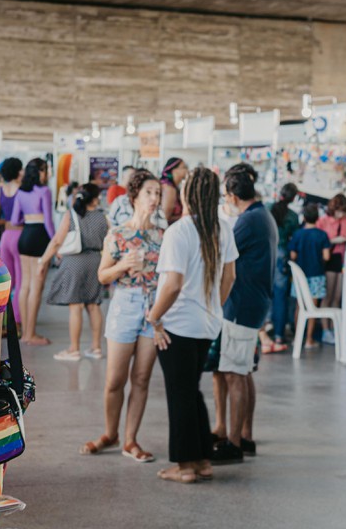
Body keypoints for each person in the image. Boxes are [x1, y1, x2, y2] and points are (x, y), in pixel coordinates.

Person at [146, 167, 238, 484]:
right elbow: (230, 278)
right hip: (207, 324)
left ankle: (185, 466)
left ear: (187, 194)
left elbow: (172, 285)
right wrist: (212, 307)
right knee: (192, 390)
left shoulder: (179, 231)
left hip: (179, 323)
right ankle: (202, 461)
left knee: (180, 394)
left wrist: (153, 317)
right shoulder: (223, 228)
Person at [83, 170, 162, 461]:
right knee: (114, 379)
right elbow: (103, 275)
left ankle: (130, 440)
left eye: (158, 194)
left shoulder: (163, 235)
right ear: (135, 197)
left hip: (154, 309)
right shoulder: (118, 233)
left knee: (141, 378)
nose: (154, 199)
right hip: (124, 305)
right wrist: (123, 265)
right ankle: (109, 433)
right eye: (149, 193)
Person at [209, 163, 278, 464]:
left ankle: (234, 443)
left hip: (241, 305)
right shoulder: (262, 216)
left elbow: (223, 254)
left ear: (234, 195)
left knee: (236, 374)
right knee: (242, 372)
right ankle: (243, 435)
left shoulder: (249, 222)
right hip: (253, 303)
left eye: (226, 195)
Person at [39, 183, 107, 360]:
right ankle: (96, 348)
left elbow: (56, 241)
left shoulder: (72, 214)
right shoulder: (102, 217)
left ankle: (74, 349)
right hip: (95, 262)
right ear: (95, 198)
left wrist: (43, 260)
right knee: (94, 306)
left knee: (75, 306)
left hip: (74, 262)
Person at [10, 158, 54, 345]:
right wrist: (55, 244)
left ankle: (25, 333)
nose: (47, 173)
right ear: (40, 172)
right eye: (46, 170)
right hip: (39, 237)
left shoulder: (21, 191)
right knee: (36, 286)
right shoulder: (44, 191)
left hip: (25, 236)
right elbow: (49, 222)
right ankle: (31, 334)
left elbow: (14, 219)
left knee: (25, 285)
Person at [287, 204, 331, 349]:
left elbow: (292, 255)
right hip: (317, 275)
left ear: (304, 217)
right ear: (317, 218)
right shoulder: (322, 235)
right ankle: (309, 340)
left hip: (300, 277)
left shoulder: (298, 234)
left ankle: (296, 338)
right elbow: (326, 256)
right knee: (313, 308)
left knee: (299, 307)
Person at [265, 183, 301, 351]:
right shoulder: (293, 217)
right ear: (294, 198)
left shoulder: (267, 208)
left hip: (266, 253)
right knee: (280, 296)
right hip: (282, 257)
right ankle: (279, 335)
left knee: (264, 293)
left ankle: (263, 331)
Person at [0, 158, 24, 330]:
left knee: (6, 283)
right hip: (21, 236)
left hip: (6, 238)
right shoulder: (23, 191)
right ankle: (17, 324)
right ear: (18, 171)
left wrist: (6, 222)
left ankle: (2, 324)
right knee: (21, 283)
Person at [316, 193, 346, 345]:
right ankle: (325, 330)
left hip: (340, 259)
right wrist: (332, 240)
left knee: (337, 296)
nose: (341, 214)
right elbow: (320, 240)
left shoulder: (343, 220)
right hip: (328, 259)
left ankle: (334, 329)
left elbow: (344, 237)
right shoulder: (323, 221)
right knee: (327, 296)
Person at [159, 157, 188, 226]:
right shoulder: (169, 189)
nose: (187, 170)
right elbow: (166, 217)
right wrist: (188, 217)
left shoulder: (172, 186)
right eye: (184, 167)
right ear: (174, 170)